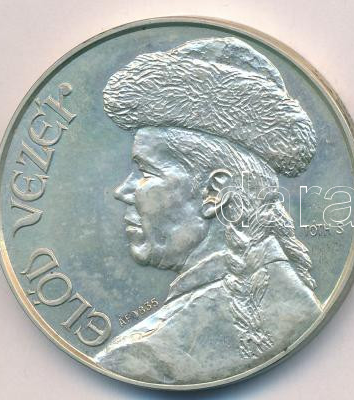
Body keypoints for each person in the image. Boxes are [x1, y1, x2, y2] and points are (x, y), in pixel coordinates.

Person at [94, 37, 321, 384]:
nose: (122, 191)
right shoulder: (300, 303)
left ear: (215, 192)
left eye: (145, 171)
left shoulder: (143, 358)